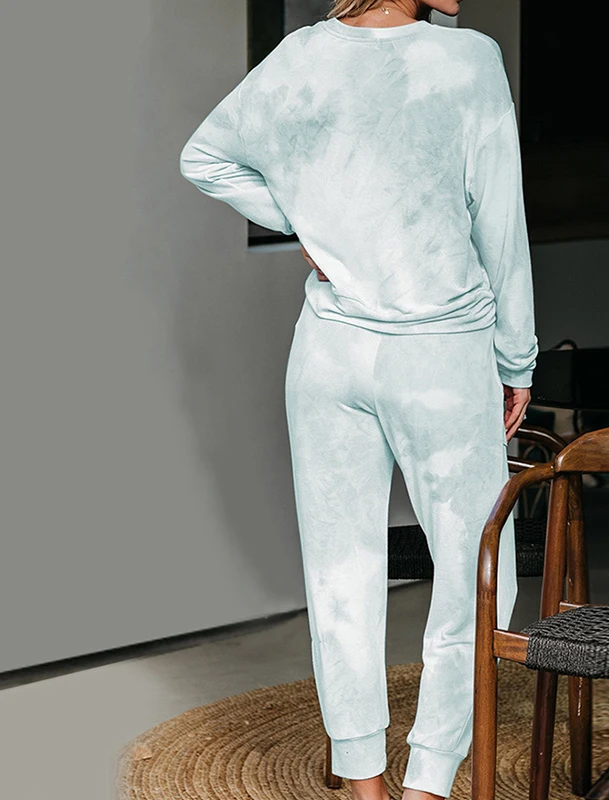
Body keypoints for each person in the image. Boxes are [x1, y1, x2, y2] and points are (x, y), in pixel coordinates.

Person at [178, 1, 539, 799]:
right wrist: (517, 356)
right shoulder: (467, 59)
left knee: (340, 572)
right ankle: (428, 782)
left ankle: (363, 782)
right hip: (440, 354)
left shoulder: (301, 55)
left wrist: (309, 226)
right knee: (479, 573)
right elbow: (501, 223)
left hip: (328, 355)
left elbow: (206, 157)